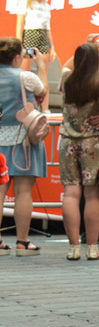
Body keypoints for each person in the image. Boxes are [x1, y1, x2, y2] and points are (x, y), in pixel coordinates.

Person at [58, 40, 99, 260]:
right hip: (94, 143)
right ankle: (92, 248)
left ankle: (73, 248)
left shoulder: (67, 79)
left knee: (71, 193)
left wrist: (85, 44)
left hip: (68, 142)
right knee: (93, 195)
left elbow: (66, 66)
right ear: (97, 61)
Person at [0, 37, 48, 255]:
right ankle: (22, 242)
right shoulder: (26, 77)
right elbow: (43, 92)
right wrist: (42, 67)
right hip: (23, 140)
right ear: (17, 57)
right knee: (23, 191)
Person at [13, 0, 53, 103]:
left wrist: (52, 47)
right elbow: (19, 24)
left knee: (43, 72)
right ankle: (21, 103)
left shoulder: (46, 6)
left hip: (43, 37)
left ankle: (45, 107)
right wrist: (19, 43)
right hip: (30, 35)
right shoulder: (25, 2)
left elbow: (48, 28)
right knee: (24, 73)